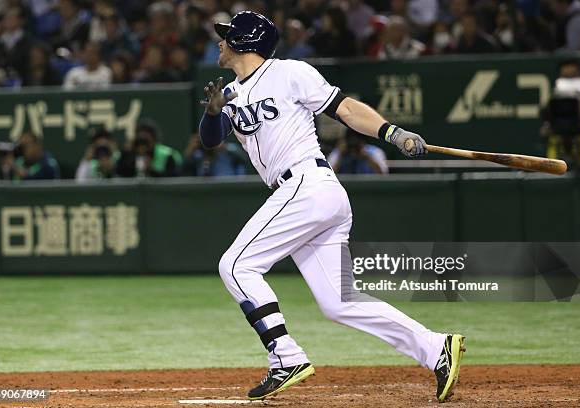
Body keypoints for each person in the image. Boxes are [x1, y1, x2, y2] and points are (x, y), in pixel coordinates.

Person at [198, 11, 465, 403]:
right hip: (310, 195)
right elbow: (210, 139)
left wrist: (391, 131)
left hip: (306, 183)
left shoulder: (289, 72)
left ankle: (285, 356)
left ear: (243, 42)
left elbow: (345, 109)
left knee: (236, 265)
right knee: (341, 303)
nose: (220, 41)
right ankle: (435, 347)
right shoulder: (233, 93)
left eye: (226, 36)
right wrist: (212, 110)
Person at [182, 133, 247, 176]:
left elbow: (243, 158)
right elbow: (185, 168)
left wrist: (224, 147)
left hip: (228, 187)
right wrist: (191, 149)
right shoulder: (199, 155)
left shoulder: (228, 150)